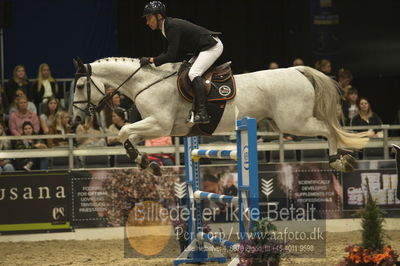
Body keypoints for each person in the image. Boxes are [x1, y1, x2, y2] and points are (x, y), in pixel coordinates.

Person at [140, 1, 223, 124]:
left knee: (193, 73)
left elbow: (171, 55)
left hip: (212, 46)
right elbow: (166, 53)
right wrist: (153, 60)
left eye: (149, 18)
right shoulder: (165, 28)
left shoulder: (171, 26)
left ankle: (202, 112)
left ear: (159, 16)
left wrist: (151, 60)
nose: (147, 22)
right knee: (184, 71)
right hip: (201, 49)